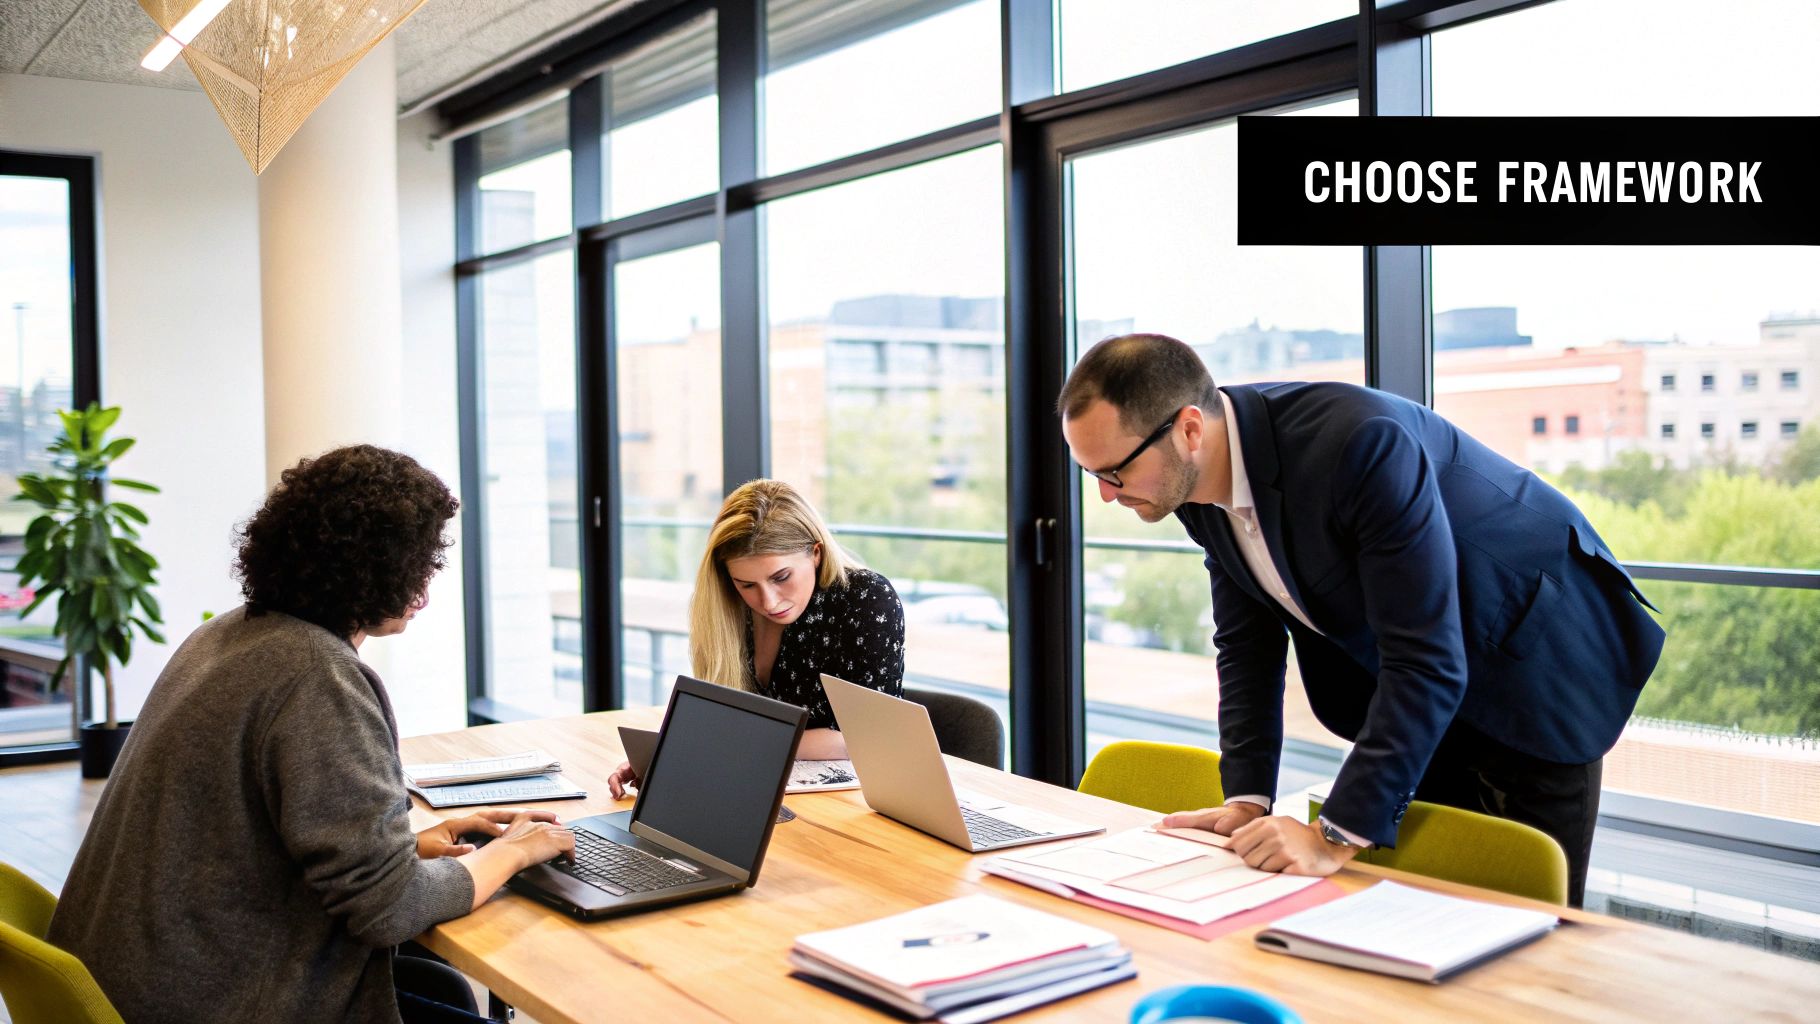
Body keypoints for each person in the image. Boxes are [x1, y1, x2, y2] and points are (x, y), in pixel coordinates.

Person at [1058, 334, 1664, 906]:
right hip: (1423, 693)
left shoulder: (1357, 443)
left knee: (1528, 931)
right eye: (1093, 476)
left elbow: (1425, 656)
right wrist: (1247, 799)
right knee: (1419, 908)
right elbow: (1246, 645)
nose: (1107, 494)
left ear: (1189, 429)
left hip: (1535, 659)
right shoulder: (1187, 485)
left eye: (1114, 471)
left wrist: (1330, 836)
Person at [48, 445, 575, 1023]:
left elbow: (245, 833)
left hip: (133, 981)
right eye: (420, 564)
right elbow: (388, 910)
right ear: (374, 569)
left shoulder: (228, 636)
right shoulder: (315, 676)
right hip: (208, 1000)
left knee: (437, 988)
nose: (424, 587)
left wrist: (412, 845)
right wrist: (515, 852)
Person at [609, 479, 905, 797]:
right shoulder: (726, 605)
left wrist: (730, 745)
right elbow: (722, 720)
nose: (768, 602)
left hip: (850, 803)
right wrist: (668, 754)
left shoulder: (864, 597)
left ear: (816, 553)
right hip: (755, 790)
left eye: (781, 577)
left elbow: (866, 738)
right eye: (746, 584)